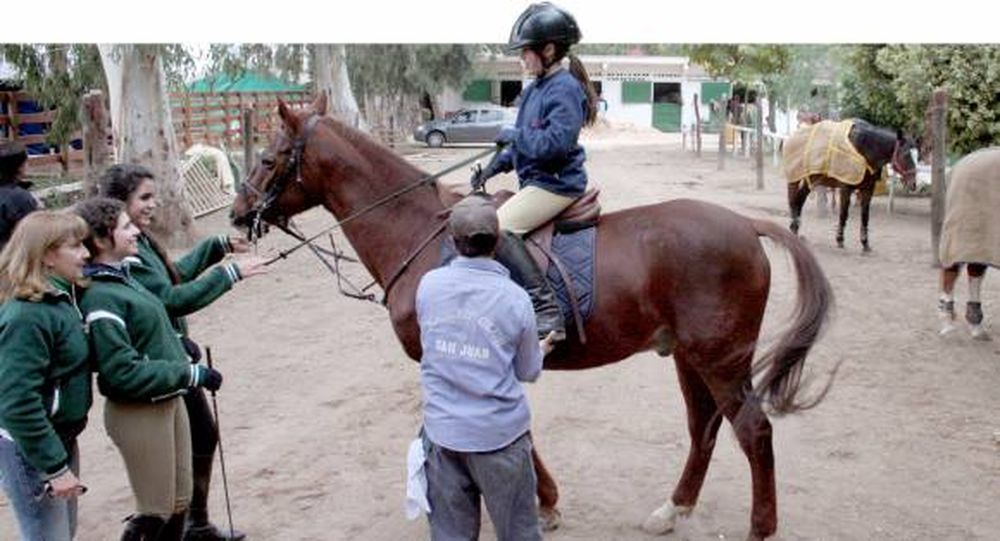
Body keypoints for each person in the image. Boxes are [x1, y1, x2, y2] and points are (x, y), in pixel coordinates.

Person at [98, 163, 265, 540]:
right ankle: (187, 525)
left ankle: (195, 524)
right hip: (160, 369)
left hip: (172, 359)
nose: (153, 204)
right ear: (120, 202)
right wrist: (230, 274)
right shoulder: (125, 255)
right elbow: (171, 299)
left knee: (201, 437)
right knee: (170, 478)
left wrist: (217, 247)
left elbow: (171, 276)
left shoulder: (139, 241)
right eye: (144, 197)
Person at [74, 197, 224, 541]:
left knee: (179, 502)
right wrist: (190, 374)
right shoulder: (101, 296)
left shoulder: (125, 277)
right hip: (141, 411)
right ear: (101, 240)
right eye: (126, 227)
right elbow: (121, 370)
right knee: (155, 511)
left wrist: (177, 346)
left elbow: (145, 330)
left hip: (168, 399)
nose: (136, 233)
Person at [415, 194, 556, 541]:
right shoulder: (515, 297)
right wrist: (540, 349)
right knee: (519, 533)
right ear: (499, 242)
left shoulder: (427, 285)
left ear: (452, 242)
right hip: (499, 439)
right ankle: (549, 303)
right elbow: (527, 371)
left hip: (441, 434)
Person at [470, 1, 599, 343]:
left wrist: (515, 136)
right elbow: (525, 144)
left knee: (499, 228)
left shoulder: (565, 89)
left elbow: (554, 144)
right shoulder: (534, 91)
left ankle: (547, 309)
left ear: (549, 50)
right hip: (536, 182)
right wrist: (494, 167)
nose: (522, 59)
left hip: (557, 185)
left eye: (526, 52)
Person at [0, 211, 91, 540]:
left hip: (58, 438)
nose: (86, 254)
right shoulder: (27, 316)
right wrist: (53, 466)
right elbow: (17, 402)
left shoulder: (58, 301)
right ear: (47, 255)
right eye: (76, 246)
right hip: (31, 449)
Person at [0, 142, 39, 251]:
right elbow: (33, 232)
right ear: (20, 167)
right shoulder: (19, 197)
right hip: (8, 254)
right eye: (26, 162)